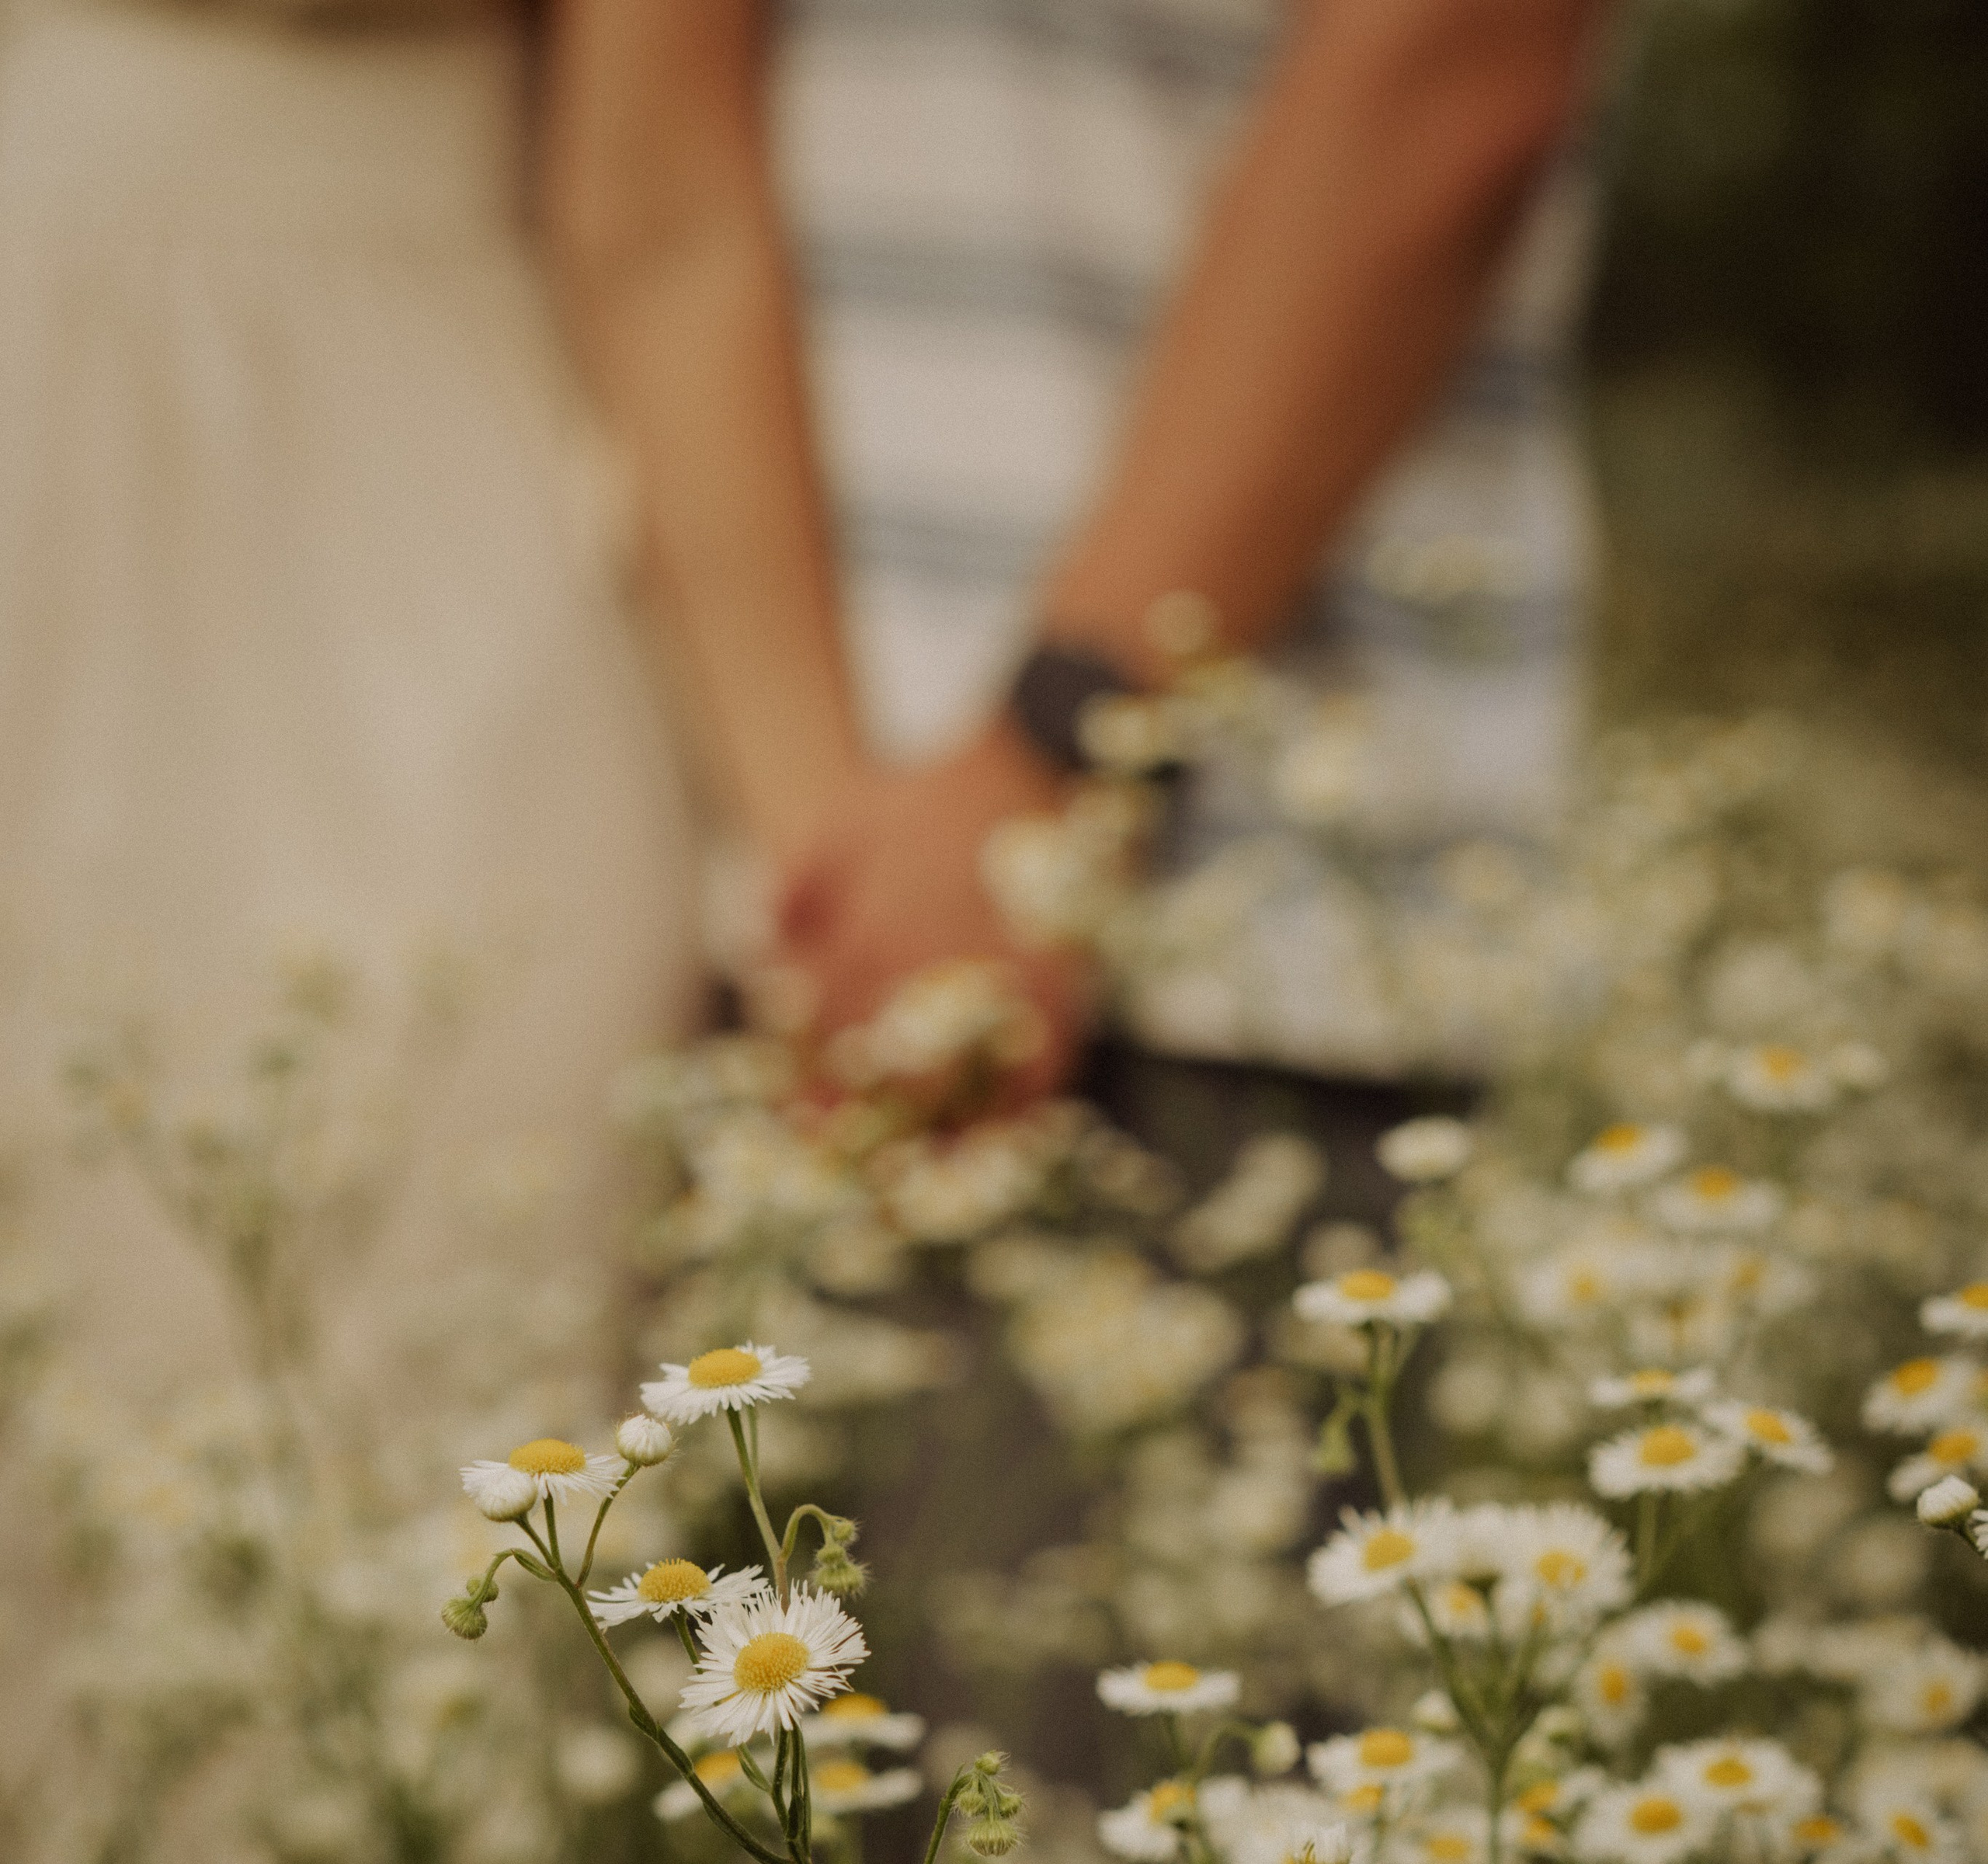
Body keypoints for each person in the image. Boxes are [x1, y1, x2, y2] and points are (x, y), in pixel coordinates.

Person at [0, 0, 868, 1393]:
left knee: (446, 1276)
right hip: (47, 395)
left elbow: (665, 211)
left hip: (435, 437)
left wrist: (831, 882)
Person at [753, 0, 1611, 1122]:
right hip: (771, 912)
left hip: (1270, 944)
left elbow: (1452, 72)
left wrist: (1045, 758)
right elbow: (653, 196)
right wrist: (831, 866)